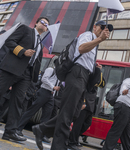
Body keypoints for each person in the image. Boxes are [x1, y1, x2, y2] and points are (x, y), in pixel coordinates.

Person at [32, 20, 113, 150]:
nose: (104, 30)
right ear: (95, 27)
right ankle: (58, 146)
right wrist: (99, 39)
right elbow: (81, 49)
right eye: (102, 27)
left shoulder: (95, 44)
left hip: (84, 77)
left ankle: (42, 129)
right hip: (76, 73)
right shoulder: (88, 35)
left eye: (107, 29)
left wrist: (94, 66)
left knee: (75, 113)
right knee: (67, 113)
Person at [0, 16, 49, 141]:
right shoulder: (25, 29)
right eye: (43, 22)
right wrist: (23, 51)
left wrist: (34, 79)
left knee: (18, 102)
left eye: (47, 25)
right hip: (12, 68)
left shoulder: (40, 43)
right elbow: (10, 42)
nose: (45, 25)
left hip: (26, 74)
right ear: (36, 23)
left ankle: (10, 131)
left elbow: (37, 61)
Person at [102, 70, 130, 150]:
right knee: (116, 131)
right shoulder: (129, 80)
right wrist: (123, 91)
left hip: (127, 110)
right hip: (123, 107)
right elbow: (124, 86)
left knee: (126, 133)